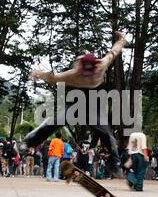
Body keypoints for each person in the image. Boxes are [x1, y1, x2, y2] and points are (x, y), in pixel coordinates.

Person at [25, 31, 128, 178]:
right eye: (84, 73)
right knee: (56, 121)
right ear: (79, 68)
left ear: (94, 67)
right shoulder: (73, 73)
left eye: (89, 73)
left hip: (95, 101)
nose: (87, 76)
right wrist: (39, 74)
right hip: (76, 101)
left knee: (106, 133)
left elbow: (114, 52)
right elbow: (53, 78)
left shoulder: (101, 65)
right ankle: (29, 142)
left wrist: (122, 40)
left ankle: (114, 164)